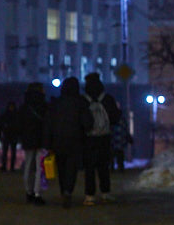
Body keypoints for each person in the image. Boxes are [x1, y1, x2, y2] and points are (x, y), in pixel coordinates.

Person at [43, 76, 93, 208]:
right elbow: (87, 122)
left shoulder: (56, 104)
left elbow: (49, 124)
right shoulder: (80, 103)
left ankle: (63, 190)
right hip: (75, 140)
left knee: (61, 167)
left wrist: (48, 143)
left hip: (58, 141)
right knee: (72, 167)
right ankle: (68, 191)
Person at [82, 72, 122, 205]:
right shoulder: (107, 98)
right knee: (103, 166)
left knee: (89, 168)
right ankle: (105, 192)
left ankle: (89, 195)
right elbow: (115, 118)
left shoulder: (83, 100)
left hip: (88, 138)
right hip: (104, 137)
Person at [19, 83, 48, 205]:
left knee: (28, 166)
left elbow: (19, 124)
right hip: (41, 140)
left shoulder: (24, 107)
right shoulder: (44, 106)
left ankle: (28, 191)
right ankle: (37, 193)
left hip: (27, 140)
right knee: (39, 168)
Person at [0, 102, 20, 171]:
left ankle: (8, 166)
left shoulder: (6, 115)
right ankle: (8, 167)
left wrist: (0, 135)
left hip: (9, 135)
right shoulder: (15, 115)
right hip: (10, 135)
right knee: (9, 152)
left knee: (8, 152)